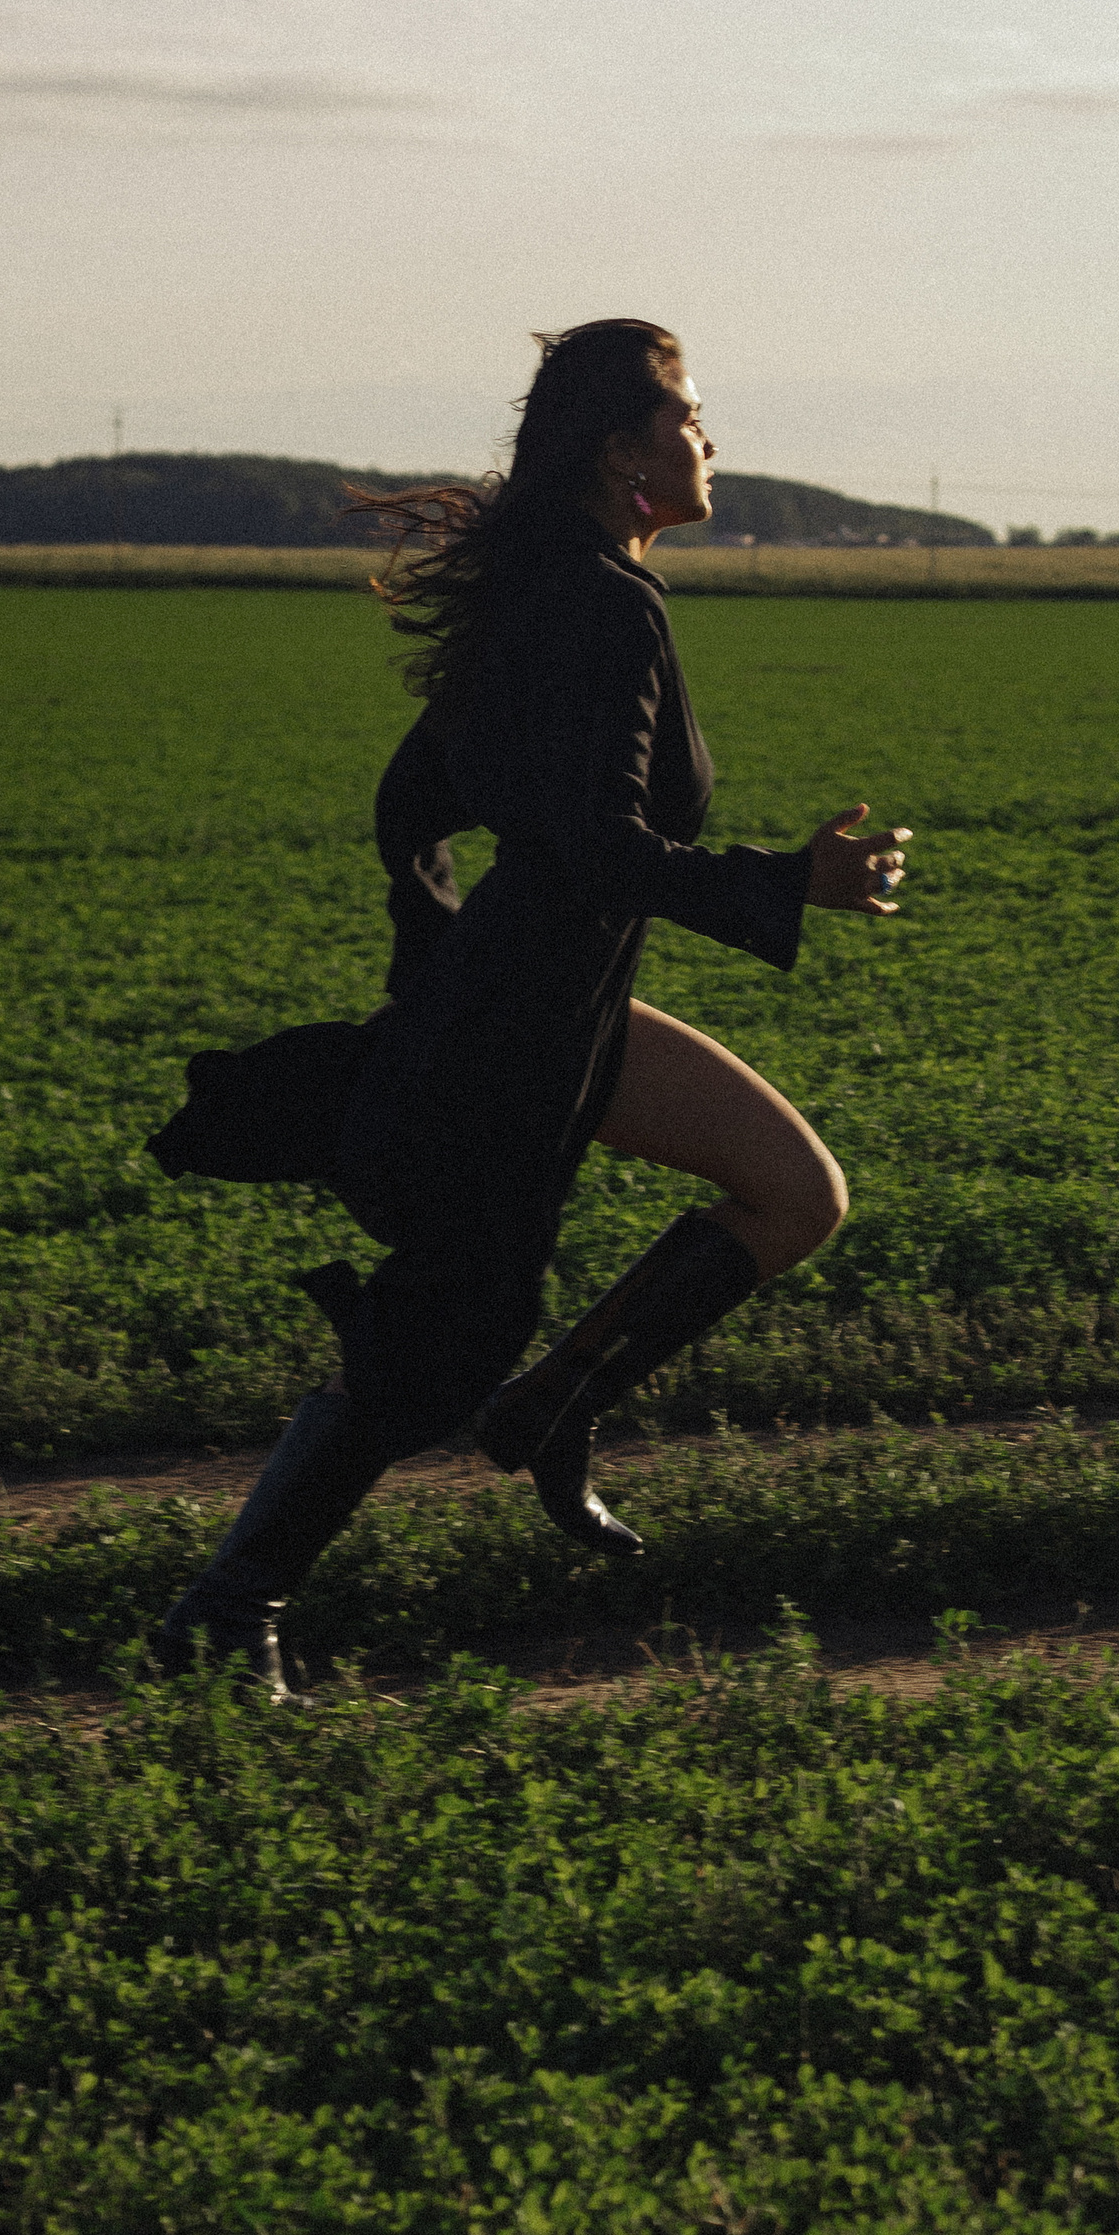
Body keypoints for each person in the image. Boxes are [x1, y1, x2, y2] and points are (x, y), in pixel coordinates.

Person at [144, 317, 907, 1697]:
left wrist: (432, 948)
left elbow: (418, 802)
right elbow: (595, 845)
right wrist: (784, 883)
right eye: (687, 415)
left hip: (552, 1004)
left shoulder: (564, 589)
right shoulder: (600, 606)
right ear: (624, 451)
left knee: (797, 1193)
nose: (708, 438)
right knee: (439, 1338)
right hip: (517, 1032)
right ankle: (224, 1613)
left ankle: (556, 1408)